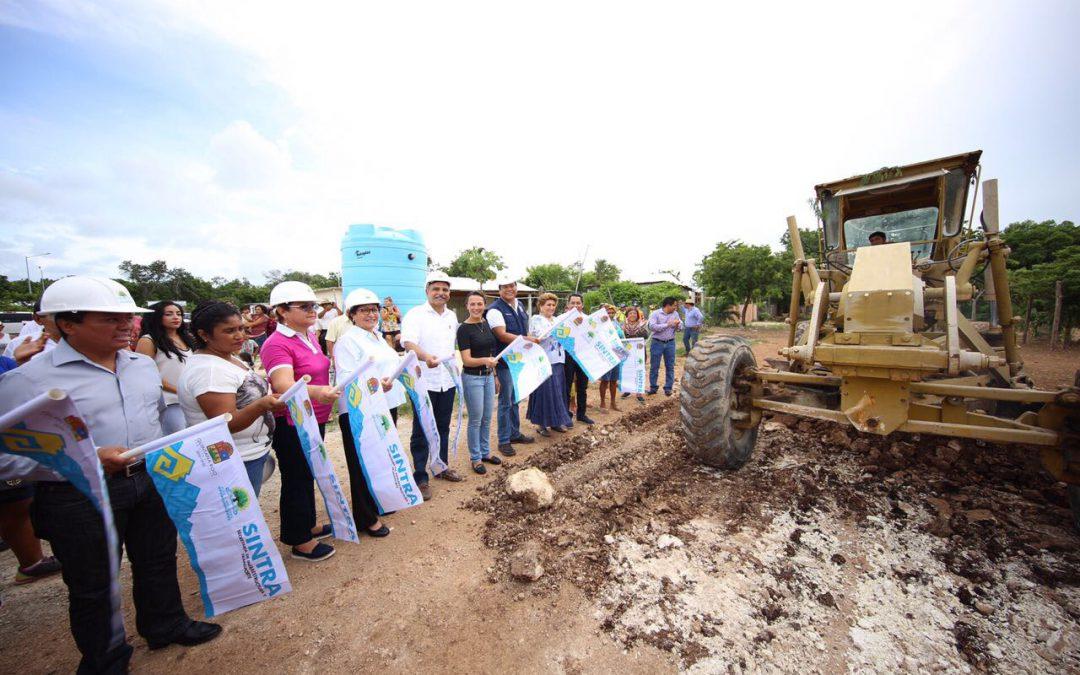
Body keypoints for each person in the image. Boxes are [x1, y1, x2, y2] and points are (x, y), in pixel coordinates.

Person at [0, 276, 221, 672]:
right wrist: (86, 458)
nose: (128, 326)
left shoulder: (141, 366)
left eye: (129, 318)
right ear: (68, 324)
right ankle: (106, 658)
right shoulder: (28, 381)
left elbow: (154, 420)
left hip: (146, 479)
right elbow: (8, 456)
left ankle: (165, 624)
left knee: (157, 559)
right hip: (77, 494)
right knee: (93, 583)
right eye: (111, 318)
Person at [261, 281, 341, 562]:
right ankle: (299, 540)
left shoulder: (307, 336)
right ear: (282, 311)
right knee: (296, 476)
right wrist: (318, 392)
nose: (312, 310)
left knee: (309, 471)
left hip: (312, 418)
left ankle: (309, 524)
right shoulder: (276, 344)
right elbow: (283, 384)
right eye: (304, 306)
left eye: (313, 306)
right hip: (292, 422)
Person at [178, 301, 281, 496]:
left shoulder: (226, 357)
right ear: (204, 334)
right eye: (229, 331)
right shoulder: (209, 371)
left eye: (241, 328)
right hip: (232, 459)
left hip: (247, 454)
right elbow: (226, 422)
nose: (240, 335)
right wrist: (262, 405)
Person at [333, 287, 402, 537]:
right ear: (352, 314)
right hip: (360, 411)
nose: (371, 314)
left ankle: (378, 502)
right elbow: (347, 378)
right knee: (361, 461)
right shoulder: (347, 341)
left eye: (374, 310)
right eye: (364, 310)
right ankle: (365, 516)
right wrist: (376, 383)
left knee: (380, 458)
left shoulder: (376, 336)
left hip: (384, 405)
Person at [401, 272, 463, 499]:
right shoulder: (415, 315)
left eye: (445, 290)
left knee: (443, 426)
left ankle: (441, 466)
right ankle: (420, 475)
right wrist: (425, 356)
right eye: (436, 289)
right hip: (423, 381)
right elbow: (408, 343)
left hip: (447, 380)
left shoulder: (451, 317)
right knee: (421, 428)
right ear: (427, 291)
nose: (441, 293)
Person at [486, 275, 538, 455]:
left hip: (519, 360)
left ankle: (514, 433)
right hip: (505, 362)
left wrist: (529, 338)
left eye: (512, 286)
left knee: (516, 398)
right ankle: (503, 440)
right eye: (505, 287)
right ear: (499, 290)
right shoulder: (494, 310)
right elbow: (501, 334)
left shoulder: (520, 305)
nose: (509, 289)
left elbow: (524, 329)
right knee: (505, 401)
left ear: (516, 287)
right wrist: (527, 339)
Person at [456, 291, 502, 474]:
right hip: (473, 377)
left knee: (487, 417)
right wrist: (485, 361)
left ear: (485, 305)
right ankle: (475, 458)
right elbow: (466, 360)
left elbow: (492, 353)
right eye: (472, 304)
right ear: (467, 306)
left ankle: (485, 452)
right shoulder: (463, 329)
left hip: (489, 376)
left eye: (480, 304)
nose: (476, 307)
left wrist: (495, 374)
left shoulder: (486, 324)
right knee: (475, 419)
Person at [136, 301, 195, 435]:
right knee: (178, 439)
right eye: (169, 314)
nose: (176, 317)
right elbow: (145, 374)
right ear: (157, 317)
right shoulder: (148, 340)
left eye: (179, 314)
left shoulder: (186, 338)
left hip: (189, 399)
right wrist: (178, 390)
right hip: (168, 401)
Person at [526, 293, 573, 436]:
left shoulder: (555, 319)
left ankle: (555, 422)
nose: (551, 307)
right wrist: (557, 327)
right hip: (544, 360)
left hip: (558, 359)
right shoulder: (536, 319)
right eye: (548, 305)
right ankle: (541, 424)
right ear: (541, 306)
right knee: (545, 393)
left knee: (557, 392)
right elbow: (540, 336)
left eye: (553, 305)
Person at [562, 293, 594, 426]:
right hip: (567, 356)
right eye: (572, 303)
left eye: (578, 303)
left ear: (582, 305)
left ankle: (581, 414)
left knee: (582, 386)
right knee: (567, 386)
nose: (575, 306)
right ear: (568, 305)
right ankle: (566, 415)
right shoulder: (560, 320)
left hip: (583, 357)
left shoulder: (589, 320)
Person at [648, 296, 681, 396]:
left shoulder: (675, 314)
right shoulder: (655, 314)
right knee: (654, 366)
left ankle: (668, 388)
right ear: (668, 305)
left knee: (670, 366)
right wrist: (668, 324)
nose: (676, 307)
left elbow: (680, 327)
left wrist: (678, 325)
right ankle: (653, 387)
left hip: (670, 343)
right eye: (674, 305)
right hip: (657, 343)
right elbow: (652, 327)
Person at [597, 305, 625, 411]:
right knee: (605, 380)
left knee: (614, 380)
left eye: (612, 312)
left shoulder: (616, 323)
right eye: (608, 312)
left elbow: (622, 336)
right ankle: (602, 402)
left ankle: (613, 403)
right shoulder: (599, 325)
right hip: (605, 355)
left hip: (616, 353)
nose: (610, 314)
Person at [620, 306, 648, 404]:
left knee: (639, 369)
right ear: (627, 315)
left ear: (637, 315)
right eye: (630, 313)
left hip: (639, 351)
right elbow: (619, 337)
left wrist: (641, 331)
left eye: (634, 313)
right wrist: (622, 331)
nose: (632, 315)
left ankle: (639, 393)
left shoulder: (642, 324)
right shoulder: (622, 326)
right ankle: (627, 390)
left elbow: (646, 335)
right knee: (627, 369)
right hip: (627, 352)